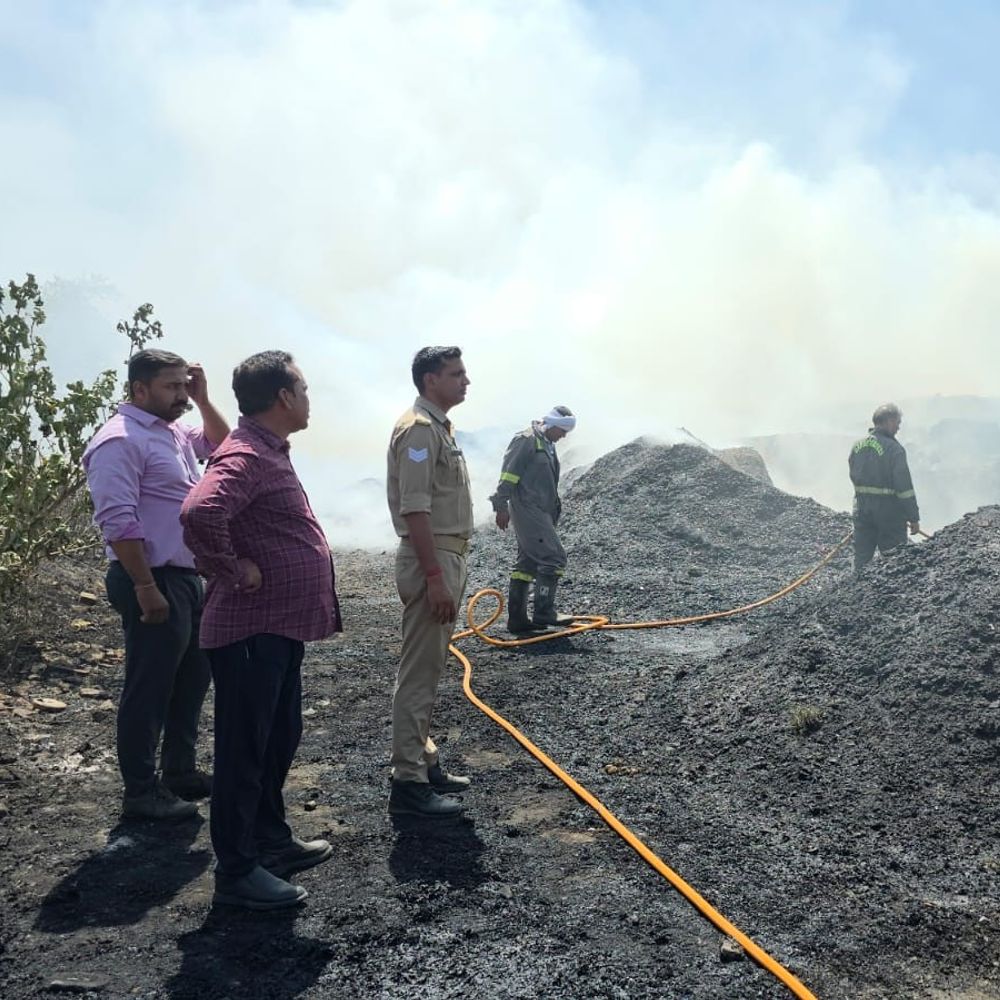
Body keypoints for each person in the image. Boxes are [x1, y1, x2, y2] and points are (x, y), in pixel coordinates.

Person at [181, 350, 341, 910]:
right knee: (243, 754)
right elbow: (200, 512)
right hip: (250, 632)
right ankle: (237, 871)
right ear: (284, 396)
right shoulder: (247, 452)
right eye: (305, 388)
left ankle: (271, 840)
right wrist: (231, 568)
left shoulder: (266, 448)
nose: (309, 398)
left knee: (277, 740)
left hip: (276, 629)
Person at [83, 349, 229, 821]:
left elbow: (223, 446)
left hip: (185, 576)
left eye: (184, 385)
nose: (181, 395)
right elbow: (117, 519)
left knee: (191, 679)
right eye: (172, 387)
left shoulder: (170, 431)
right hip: (151, 577)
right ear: (139, 389)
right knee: (150, 685)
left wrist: (203, 399)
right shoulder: (119, 441)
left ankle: (179, 772)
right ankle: (141, 792)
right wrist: (145, 586)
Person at [385, 346, 473, 819]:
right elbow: (415, 509)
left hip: (443, 554)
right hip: (431, 559)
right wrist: (435, 577)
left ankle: (423, 759)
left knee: (428, 666)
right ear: (430, 379)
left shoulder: (438, 427)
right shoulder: (419, 429)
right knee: (419, 673)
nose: (466, 381)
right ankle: (409, 781)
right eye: (456, 374)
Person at [490, 406, 577, 632]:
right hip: (527, 508)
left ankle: (517, 620)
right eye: (562, 431)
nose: (564, 436)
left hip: (541, 510)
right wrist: (501, 506)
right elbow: (509, 474)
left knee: (527, 562)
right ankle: (544, 612)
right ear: (552, 424)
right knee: (554, 557)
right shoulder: (526, 440)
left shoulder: (546, 443)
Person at [849, 402, 920, 573]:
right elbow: (904, 488)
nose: (898, 428)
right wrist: (913, 518)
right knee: (894, 560)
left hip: (862, 510)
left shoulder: (857, 446)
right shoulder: (894, 449)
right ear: (889, 421)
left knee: (862, 559)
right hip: (889, 514)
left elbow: (853, 475)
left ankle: (856, 588)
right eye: (897, 423)